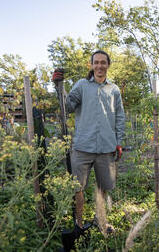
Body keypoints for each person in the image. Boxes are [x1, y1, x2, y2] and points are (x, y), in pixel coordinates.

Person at [53, 50, 126, 232]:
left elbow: (120, 117)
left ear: (108, 65)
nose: (100, 66)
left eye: (103, 62)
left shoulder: (114, 89)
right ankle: (78, 225)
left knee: (103, 188)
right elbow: (68, 106)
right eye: (96, 62)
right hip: (83, 146)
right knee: (78, 188)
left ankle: (100, 221)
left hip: (106, 147)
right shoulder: (82, 85)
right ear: (91, 65)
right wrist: (59, 87)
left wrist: (119, 141)